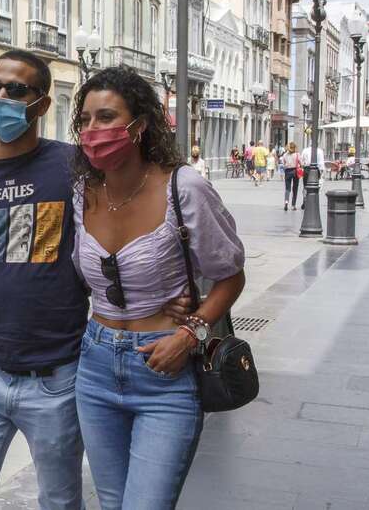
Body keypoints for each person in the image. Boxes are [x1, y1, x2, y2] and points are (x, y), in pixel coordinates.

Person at [0, 50, 195, 509]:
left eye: (16, 90)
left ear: (41, 104)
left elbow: (135, 222)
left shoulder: (78, 169)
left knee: (60, 501)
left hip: (59, 376)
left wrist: (167, 299)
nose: (1, 97)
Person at [70, 66, 246, 510]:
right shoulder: (82, 192)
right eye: (85, 120)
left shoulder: (183, 187)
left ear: (140, 124)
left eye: (106, 117)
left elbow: (230, 273)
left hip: (165, 370)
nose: (93, 130)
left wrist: (191, 334)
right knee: (112, 503)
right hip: (94, 365)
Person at [300, 144, 325, 210]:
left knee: (305, 186)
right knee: (315, 186)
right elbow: (321, 163)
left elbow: (301, 160)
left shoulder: (305, 150)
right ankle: (313, 201)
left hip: (306, 169)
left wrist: (303, 166)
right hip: (316, 169)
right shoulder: (319, 151)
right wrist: (322, 173)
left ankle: (304, 200)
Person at [282, 142, 302, 211]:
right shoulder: (297, 154)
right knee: (295, 188)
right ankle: (293, 205)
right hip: (295, 171)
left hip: (287, 171)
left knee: (287, 188)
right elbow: (301, 163)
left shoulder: (285, 155)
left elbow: (283, 163)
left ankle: (286, 203)